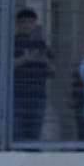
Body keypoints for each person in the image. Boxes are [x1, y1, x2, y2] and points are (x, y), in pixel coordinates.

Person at [13, 8, 56, 141]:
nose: (27, 25)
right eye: (23, 22)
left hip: (37, 97)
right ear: (18, 24)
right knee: (17, 135)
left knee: (34, 136)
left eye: (31, 22)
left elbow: (54, 72)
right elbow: (5, 68)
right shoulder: (11, 43)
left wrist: (45, 61)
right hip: (16, 96)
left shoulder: (41, 44)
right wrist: (26, 58)